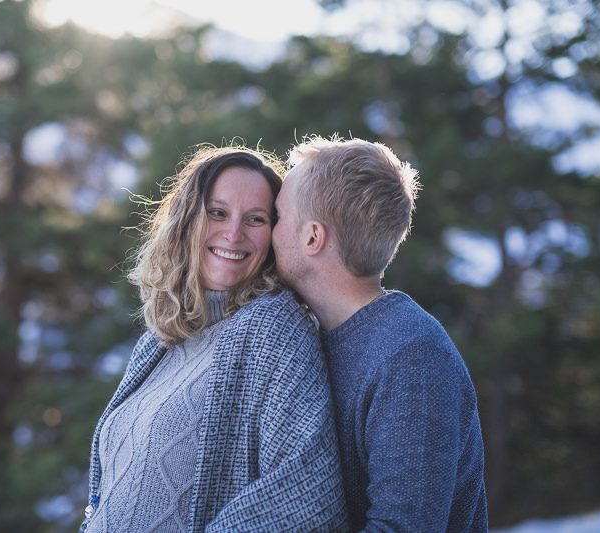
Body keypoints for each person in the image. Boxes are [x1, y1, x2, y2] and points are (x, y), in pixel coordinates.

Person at [79, 145, 348, 532]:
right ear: (187, 219)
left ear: (274, 233)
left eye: (255, 219)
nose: (234, 233)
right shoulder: (161, 341)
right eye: (217, 213)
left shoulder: (272, 327)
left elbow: (308, 494)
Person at [272, 135, 488, 532]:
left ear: (312, 237)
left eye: (279, 215)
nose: (268, 230)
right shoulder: (308, 338)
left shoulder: (411, 356)